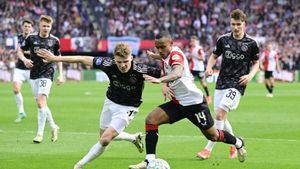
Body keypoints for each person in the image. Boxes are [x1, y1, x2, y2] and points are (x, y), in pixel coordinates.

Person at [129, 31, 247, 169]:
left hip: (194, 104)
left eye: (162, 47)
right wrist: (154, 56)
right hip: (178, 103)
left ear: (171, 44)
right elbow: (162, 58)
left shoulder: (176, 55)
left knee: (213, 136)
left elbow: (177, 72)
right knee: (151, 120)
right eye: (157, 47)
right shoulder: (165, 54)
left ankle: (238, 142)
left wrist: (160, 80)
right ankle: (149, 161)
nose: (160, 50)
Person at [36, 42, 161, 169]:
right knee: (103, 136)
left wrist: (164, 83)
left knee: (105, 139)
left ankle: (79, 165)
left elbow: (166, 73)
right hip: (110, 101)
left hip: (128, 108)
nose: (122, 65)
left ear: (131, 58)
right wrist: (55, 58)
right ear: (114, 59)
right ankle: (133, 137)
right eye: (119, 62)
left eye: (126, 61)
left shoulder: (141, 69)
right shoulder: (108, 63)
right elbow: (82, 59)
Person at [196, 9, 260, 160]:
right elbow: (214, 55)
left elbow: (256, 63)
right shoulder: (223, 39)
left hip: (237, 83)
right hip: (222, 81)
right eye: (233, 24)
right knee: (221, 118)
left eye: (238, 24)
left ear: (244, 24)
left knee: (219, 114)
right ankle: (235, 143)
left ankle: (208, 149)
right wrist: (209, 67)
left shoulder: (251, 43)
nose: (236, 27)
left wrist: (250, 75)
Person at [17, 15, 64, 143]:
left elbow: (59, 57)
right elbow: (20, 50)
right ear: (39, 26)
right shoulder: (31, 38)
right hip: (34, 74)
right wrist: (24, 59)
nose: (46, 28)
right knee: (42, 104)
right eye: (44, 26)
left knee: (40, 103)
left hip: (47, 74)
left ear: (51, 27)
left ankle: (39, 134)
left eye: (48, 26)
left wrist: (61, 74)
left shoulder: (55, 40)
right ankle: (53, 126)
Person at [13, 19, 33, 123]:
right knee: (16, 89)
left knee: (38, 94)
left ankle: (44, 113)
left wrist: (21, 51)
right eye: (25, 26)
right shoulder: (19, 37)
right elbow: (18, 49)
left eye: (29, 26)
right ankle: (21, 112)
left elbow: (33, 52)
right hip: (19, 68)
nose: (27, 28)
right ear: (22, 27)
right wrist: (16, 51)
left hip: (31, 69)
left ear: (32, 28)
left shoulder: (34, 38)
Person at [188, 35, 211, 104]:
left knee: (203, 83)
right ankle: (191, 98)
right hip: (192, 68)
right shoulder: (191, 48)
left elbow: (203, 58)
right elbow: (191, 58)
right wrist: (190, 57)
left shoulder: (199, 49)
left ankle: (208, 96)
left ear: (196, 41)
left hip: (199, 69)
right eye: (191, 41)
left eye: (193, 41)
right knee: (189, 82)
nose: (192, 42)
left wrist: (194, 56)